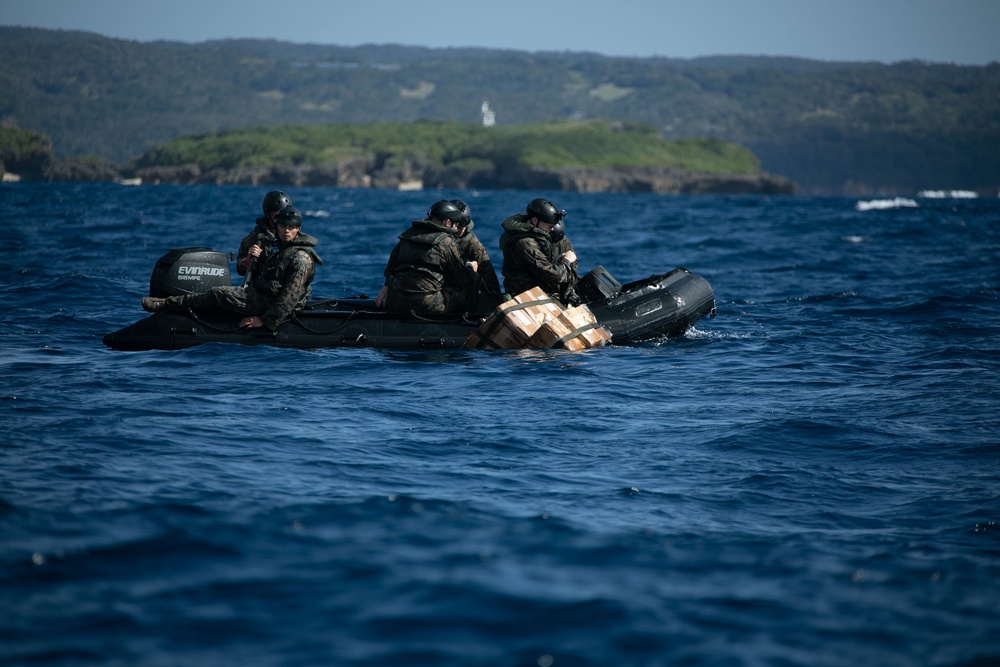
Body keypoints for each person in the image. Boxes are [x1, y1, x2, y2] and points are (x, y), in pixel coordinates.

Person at [141, 206, 323, 330]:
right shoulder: (278, 247)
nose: (286, 231)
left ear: (298, 229)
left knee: (219, 293)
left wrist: (266, 321)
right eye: (283, 226)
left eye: (291, 227)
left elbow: (290, 296)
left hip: (273, 303)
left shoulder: (301, 258)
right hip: (265, 296)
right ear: (276, 226)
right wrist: (251, 258)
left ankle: (166, 303)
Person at [375, 199, 479, 314]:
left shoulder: (409, 234)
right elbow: (461, 278)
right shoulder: (445, 241)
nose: (456, 228)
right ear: (447, 222)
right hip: (428, 305)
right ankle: (468, 318)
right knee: (472, 279)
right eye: (455, 223)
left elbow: (392, 265)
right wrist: (470, 268)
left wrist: (386, 286)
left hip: (396, 300)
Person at [498, 197, 580, 305]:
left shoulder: (545, 235)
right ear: (535, 220)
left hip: (544, 291)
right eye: (549, 225)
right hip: (525, 296)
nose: (552, 229)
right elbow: (553, 274)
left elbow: (571, 260)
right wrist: (566, 261)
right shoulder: (524, 243)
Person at [450, 198, 502, 310]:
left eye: (464, 227)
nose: (461, 231)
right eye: (458, 226)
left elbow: (485, 265)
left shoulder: (468, 238)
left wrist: (496, 300)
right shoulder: (437, 237)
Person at [235, 190, 291, 281]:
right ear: (267, 213)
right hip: (261, 288)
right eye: (277, 213)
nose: (281, 217)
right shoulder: (254, 238)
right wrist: (248, 259)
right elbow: (239, 268)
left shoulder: (292, 234)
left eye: (284, 213)